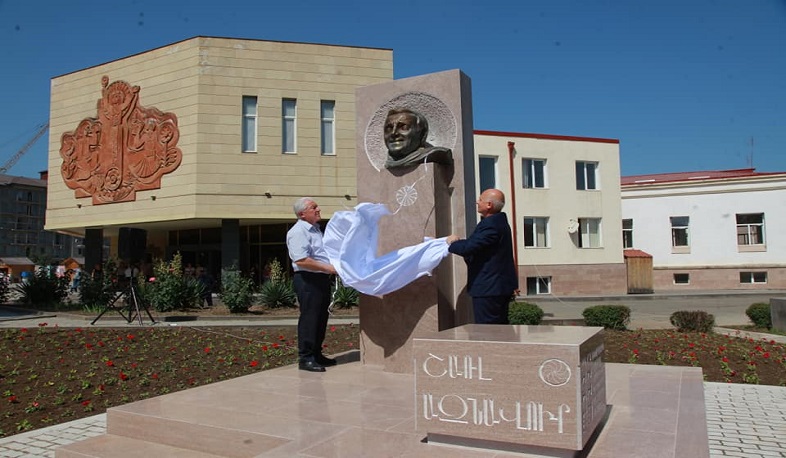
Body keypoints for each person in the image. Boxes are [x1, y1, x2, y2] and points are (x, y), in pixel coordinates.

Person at [446, 189, 518, 324]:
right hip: (496, 287)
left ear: (489, 205)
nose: (477, 202)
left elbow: (469, 248)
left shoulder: (491, 225)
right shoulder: (497, 222)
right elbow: (479, 247)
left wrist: (452, 242)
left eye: (480, 200)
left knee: (488, 329)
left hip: (490, 289)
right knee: (498, 328)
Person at [286, 197, 338, 372]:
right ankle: (306, 358)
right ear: (302, 214)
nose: (318, 209)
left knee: (321, 317)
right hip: (308, 279)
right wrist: (329, 268)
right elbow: (301, 260)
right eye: (313, 207)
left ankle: (316, 354)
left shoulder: (315, 230)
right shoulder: (298, 232)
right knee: (310, 318)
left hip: (321, 279)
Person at [383, 108, 452, 169]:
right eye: (389, 129)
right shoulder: (388, 163)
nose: (393, 133)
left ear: (421, 133)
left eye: (403, 127)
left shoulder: (436, 154)